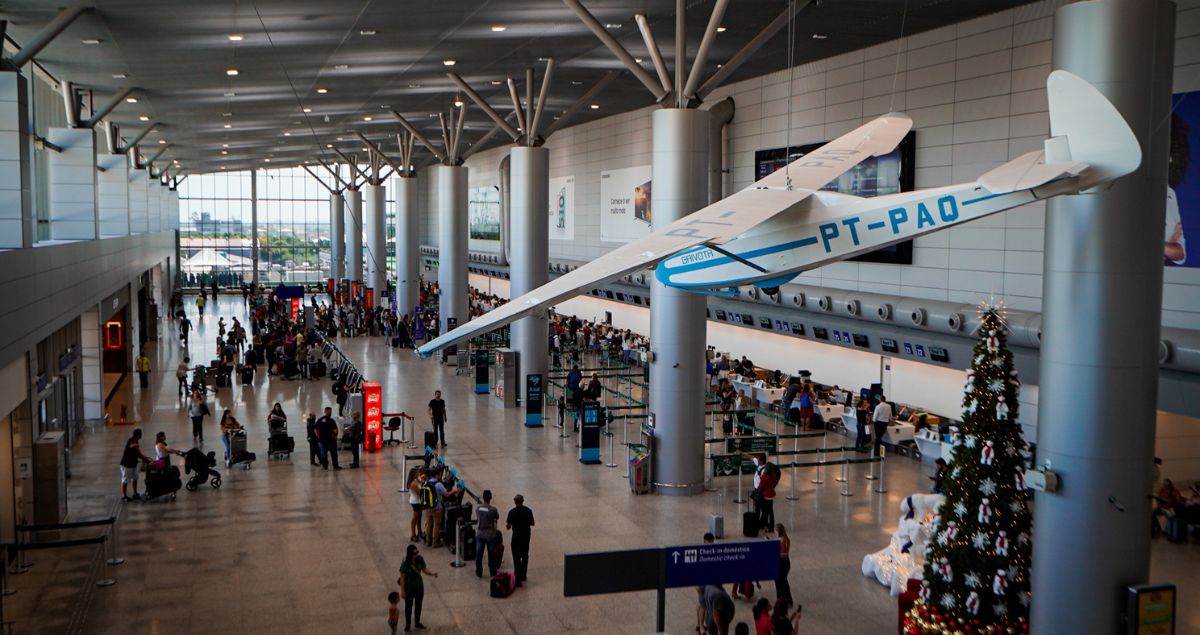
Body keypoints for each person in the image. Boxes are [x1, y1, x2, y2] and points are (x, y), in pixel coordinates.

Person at [397, 544, 437, 632]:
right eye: (414, 553)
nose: (416, 555)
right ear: (410, 554)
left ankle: (417, 622)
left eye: (417, 552)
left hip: (419, 586)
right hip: (409, 588)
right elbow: (402, 577)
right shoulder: (405, 563)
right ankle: (408, 625)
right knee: (409, 607)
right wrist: (402, 591)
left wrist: (432, 574)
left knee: (418, 606)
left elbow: (424, 569)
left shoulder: (420, 559)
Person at [506, 494, 535, 587]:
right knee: (525, 555)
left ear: (515, 501)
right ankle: (523, 575)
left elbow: (508, 526)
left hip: (516, 537)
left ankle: (518, 579)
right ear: (523, 501)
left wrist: (509, 525)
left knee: (516, 557)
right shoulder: (528, 510)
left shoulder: (512, 512)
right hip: (526, 536)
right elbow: (532, 523)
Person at [474, 490, 501, 578]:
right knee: (491, 555)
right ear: (490, 498)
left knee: (479, 553)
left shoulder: (478, 508)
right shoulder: (493, 509)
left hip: (480, 534)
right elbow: (497, 517)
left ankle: (479, 571)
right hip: (490, 535)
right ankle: (492, 572)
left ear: (483, 497)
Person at [119, 428, 151, 501]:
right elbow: (138, 454)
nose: (141, 435)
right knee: (125, 479)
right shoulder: (132, 442)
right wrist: (147, 460)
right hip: (126, 465)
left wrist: (145, 458)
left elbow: (137, 453)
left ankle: (135, 493)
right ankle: (124, 496)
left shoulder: (135, 441)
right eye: (141, 434)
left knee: (135, 478)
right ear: (139, 435)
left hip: (133, 464)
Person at [775, 524, 793, 607]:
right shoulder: (786, 539)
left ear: (778, 531)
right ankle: (787, 600)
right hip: (786, 563)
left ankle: (782, 600)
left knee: (779, 583)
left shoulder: (781, 541)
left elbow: (782, 554)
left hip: (781, 563)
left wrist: (774, 554)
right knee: (784, 582)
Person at [408, 468, 426, 542]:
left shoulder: (416, 480)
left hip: (418, 501)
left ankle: (419, 532)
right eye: (417, 473)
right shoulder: (413, 484)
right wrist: (423, 484)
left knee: (419, 516)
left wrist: (422, 480)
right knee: (415, 518)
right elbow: (420, 493)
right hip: (415, 502)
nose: (419, 474)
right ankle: (413, 534)